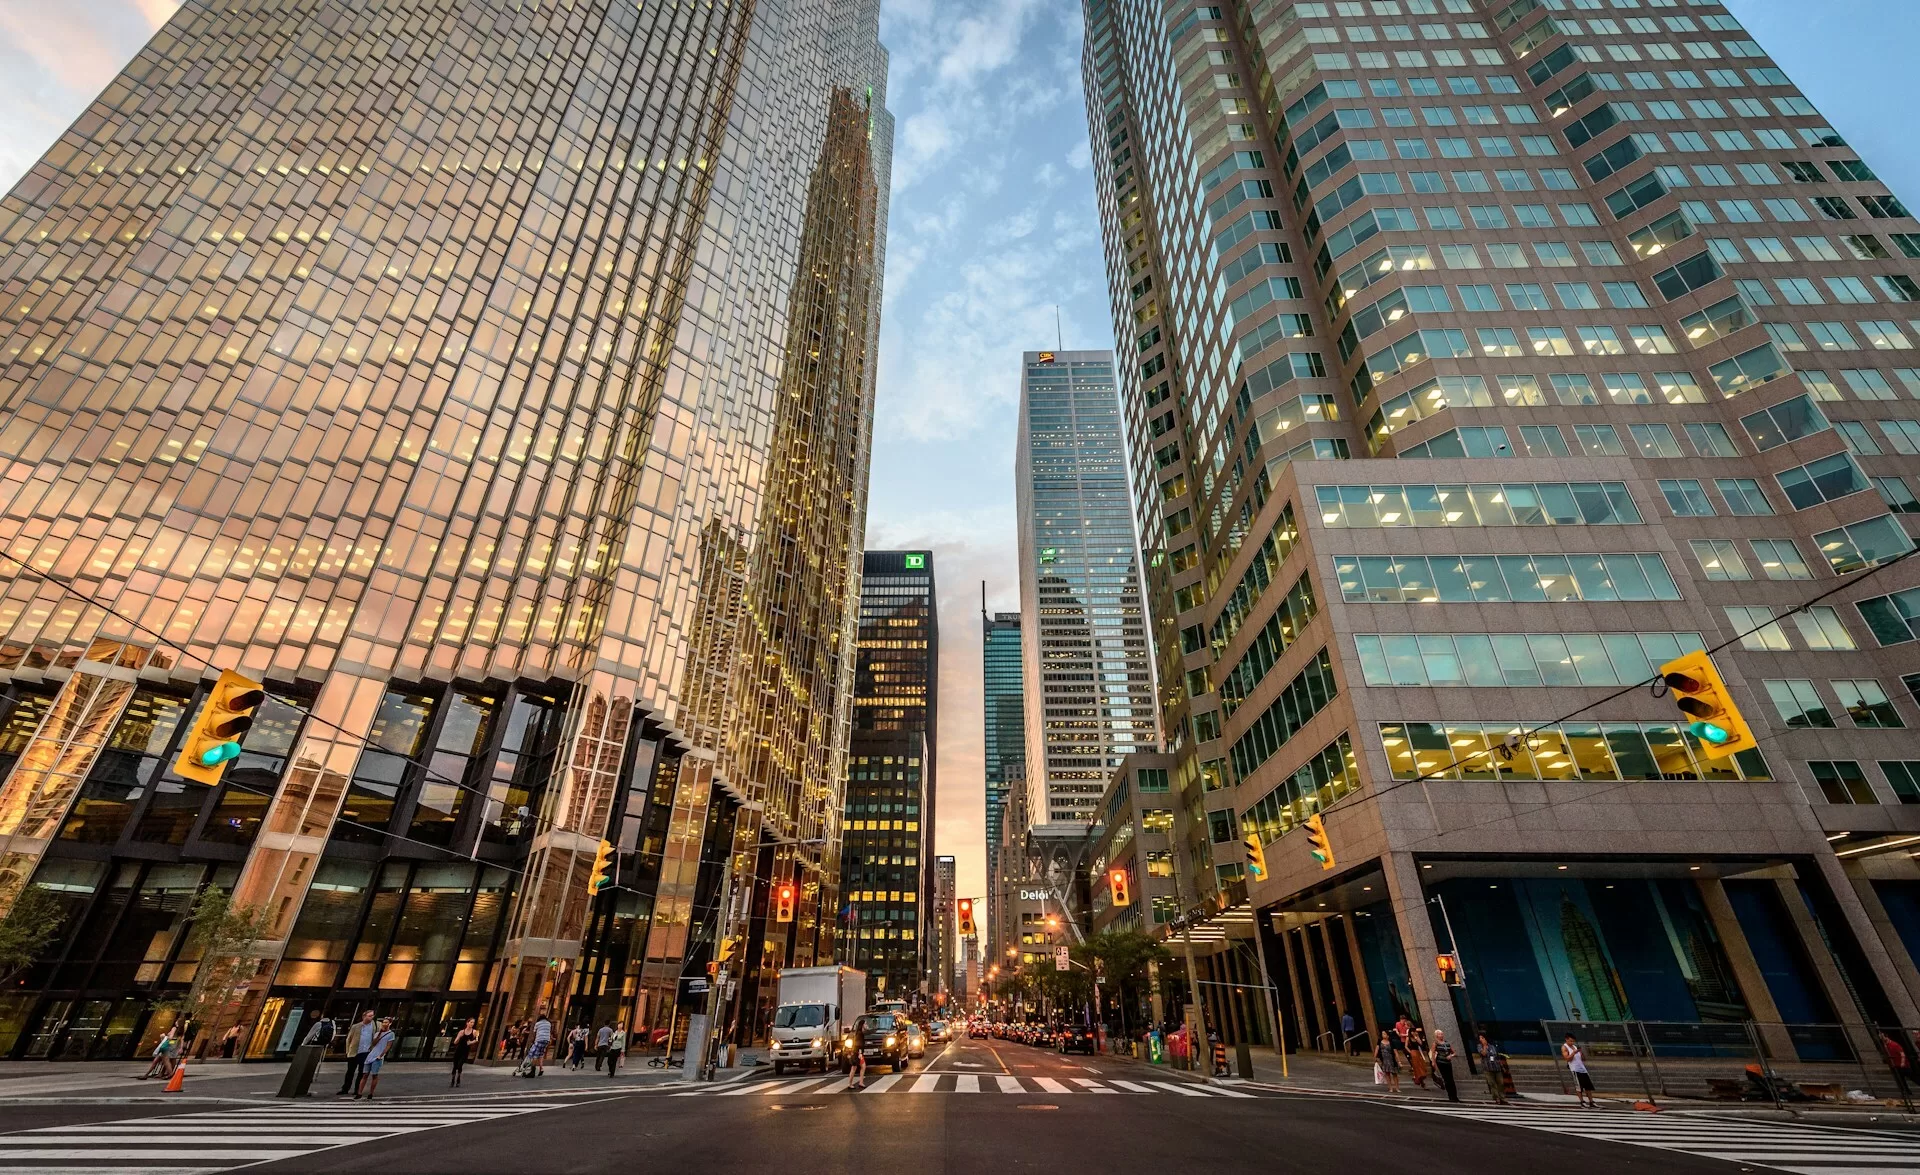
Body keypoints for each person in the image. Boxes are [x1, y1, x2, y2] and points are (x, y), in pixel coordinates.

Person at [353, 1017, 397, 1100]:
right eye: (383, 1022)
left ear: (390, 1024)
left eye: (386, 1022)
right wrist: (380, 1033)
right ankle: (359, 1093)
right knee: (365, 1074)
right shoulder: (377, 1033)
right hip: (371, 1055)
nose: (384, 1024)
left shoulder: (391, 1034)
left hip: (378, 1056)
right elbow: (373, 1043)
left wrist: (381, 1055)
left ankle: (371, 1093)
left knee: (374, 1074)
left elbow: (388, 1046)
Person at [338, 1011, 378, 1097]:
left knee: (362, 1072)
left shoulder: (375, 1026)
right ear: (364, 1017)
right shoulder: (356, 1026)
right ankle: (345, 1088)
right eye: (369, 1016)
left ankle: (357, 1089)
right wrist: (348, 1051)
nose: (371, 1018)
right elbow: (349, 1039)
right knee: (350, 1071)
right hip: (355, 1052)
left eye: (372, 1016)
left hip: (366, 1052)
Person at [1562, 1032, 1598, 1108]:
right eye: (1570, 1041)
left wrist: (1581, 1054)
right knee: (1579, 1087)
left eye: (1573, 1041)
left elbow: (1583, 1059)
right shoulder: (1564, 1047)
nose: (1572, 1042)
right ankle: (1582, 1101)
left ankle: (1591, 1101)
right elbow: (1567, 1059)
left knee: (1588, 1087)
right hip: (1575, 1069)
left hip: (1583, 1069)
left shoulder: (1575, 1047)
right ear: (1566, 1039)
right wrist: (1573, 1053)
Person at [1478, 1033, 1508, 1105]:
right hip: (1488, 1068)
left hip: (1496, 1067)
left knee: (1500, 1083)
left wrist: (1502, 1066)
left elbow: (1497, 1057)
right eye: (1480, 1038)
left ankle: (1502, 1098)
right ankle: (1496, 1098)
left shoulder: (1492, 1047)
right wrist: (1484, 1046)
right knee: (1492, 1084)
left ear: (1485, 1038)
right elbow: (1484, 1054)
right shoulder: (1479, 1046)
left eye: (1481, 1038)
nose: (1480, 1039)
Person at [1430, 1029, 1460, 1103]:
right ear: (1436, 1036)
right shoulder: (1435, 1043)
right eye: (1440, 1034)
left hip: (1448, 1062)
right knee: (1446, 1079)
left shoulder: (1447, 1043)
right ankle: (1450, 1096)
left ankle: (1455, 1096)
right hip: (1441, 1062)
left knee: (1451, 1079)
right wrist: (1433, 1062)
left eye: (1442, 1034)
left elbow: (1454, 1052)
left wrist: (1451, 1055)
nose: (1441, 1035)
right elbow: (1433, 1053)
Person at [449, 1018, 479, 1088]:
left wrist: (471, 1042)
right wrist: (459, 1037)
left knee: (460, 1065)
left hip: (465, 1051)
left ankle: (458, 1079)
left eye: (473, 1023)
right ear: (467, 1023)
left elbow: (477, 1040)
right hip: (459, 1050)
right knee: (455, 1066)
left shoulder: (475, 1031)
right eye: (471, 1022)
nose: (472, 1024)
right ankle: (453, 1080)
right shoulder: (461, 1032)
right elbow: (455, 1042)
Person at [1883, 1031, 1911, 1101]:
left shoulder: (1894, 1044)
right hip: (1895, 1065)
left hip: (1902, 1065)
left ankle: (1906, 1091)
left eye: (1882, 1036)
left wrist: (1902, 1063)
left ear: (1886, 1036)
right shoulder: (1885, 1045)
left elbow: (1902, 1054)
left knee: (1911, 1076)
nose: (1881, 1037)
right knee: (1900, 1079)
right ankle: (1906, 1092)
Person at [1374, 1024, 1402, 1093]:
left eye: (1384, 1034)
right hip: (1384, 1059)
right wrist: (1375, 1057)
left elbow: (1395, 1052)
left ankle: (1397, 1087)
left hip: (1391, 1060)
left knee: (1394, 1074)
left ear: (1387, 1035)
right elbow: (1377, 1049)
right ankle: (1390, 1088)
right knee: (1387, 1074)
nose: (1383, 1035)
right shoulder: (1379, 1041)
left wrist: (1399, 1061)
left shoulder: (1391, 1042)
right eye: (1382, 1034)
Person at [525, 1011, 552, 1077]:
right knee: (541, 1054)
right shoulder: (549, 1023)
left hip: (539, 1040)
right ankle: (541, 1069)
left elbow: (534, 1032)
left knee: (535, 1055)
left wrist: (533, 1040)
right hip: (546, 1040)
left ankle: (532, 1071)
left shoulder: (538, 1023)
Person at [1408, 1025, 1431, 1090]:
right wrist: (1410, 1052)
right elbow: (1406, 1046)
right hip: (1413, 1052)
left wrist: (1417, 1037)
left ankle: (1420, 1079)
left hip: (1418, 1052)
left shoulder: (1416, 1037)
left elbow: (1420, 1043)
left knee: (1422, 1066)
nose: (1413, 1032)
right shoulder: (1408, 1038)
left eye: (1414, 1031)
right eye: (1412, 1031)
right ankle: (1420, 1080)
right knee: (1417, 1067)